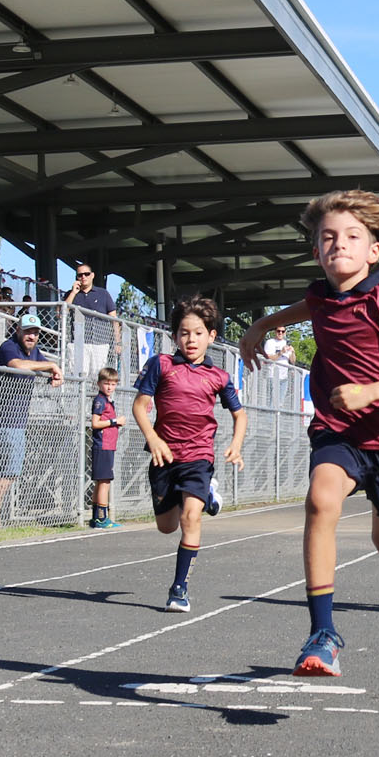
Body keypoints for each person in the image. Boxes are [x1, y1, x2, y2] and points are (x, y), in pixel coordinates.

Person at [238, 189, 379, 676]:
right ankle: (322, 633)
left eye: (352, 236)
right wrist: (260, 325)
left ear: (373, 250)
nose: (339, 244)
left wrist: (371, 391)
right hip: (337, 432)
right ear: (316, 251)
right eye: (328, 237)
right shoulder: (319, 296)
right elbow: (304, 308)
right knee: (320, 500)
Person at [132, 294, 247, 613]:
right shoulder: (161, 364)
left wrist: (236, 443)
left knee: (190, 517)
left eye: (198, 332)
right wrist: (153, 438)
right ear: (174, 336)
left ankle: (179, 589)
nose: (191, 339)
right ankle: (209, 496)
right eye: (184, 332)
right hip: (164, 457)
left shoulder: (219, 376)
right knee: (166, 526)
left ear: (211, 336)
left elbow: (240, 414)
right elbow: (140, 406)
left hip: (198, 457)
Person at [0, 313, 63, 528]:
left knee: (6, 469)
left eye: (35, 333)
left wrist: (54, 376)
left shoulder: (35, 352)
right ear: (18, 330)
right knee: (10, 469)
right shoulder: (9, 347)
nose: (31, 336)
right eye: (27, 331)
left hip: (18, 420)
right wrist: (50, 366)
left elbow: (45, 370)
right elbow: (18, 365)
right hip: (4, 420)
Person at [64, 262, 121, 379]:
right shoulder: (70, 294)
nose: (83, 277)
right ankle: (78, 397)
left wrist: (118, 342)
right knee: (78, 376)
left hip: (100, 343)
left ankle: (95, 397)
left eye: (86, 274)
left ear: (92, 275)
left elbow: (114, 319)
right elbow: (61, 314)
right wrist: (73, 292)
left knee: (98, 377)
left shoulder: (103, 294)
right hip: (78, 342)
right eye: (80, 275)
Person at [89, 366, 124, 529]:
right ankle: (102, 518)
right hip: (102, 445)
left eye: (113, 384)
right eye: (106, 383)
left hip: (108, 445)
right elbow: (95, 423)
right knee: (104, 482)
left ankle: (96, 517)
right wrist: (114, 421)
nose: (109, 387)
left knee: (103, 481)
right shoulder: (100, 401)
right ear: (99, 384)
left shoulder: (108, 400)